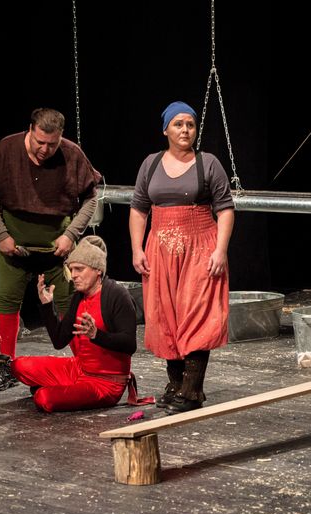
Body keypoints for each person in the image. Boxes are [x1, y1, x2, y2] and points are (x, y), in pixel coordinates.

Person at [0, 108, 102, 392]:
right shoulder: (7, 149)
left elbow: (90, 199)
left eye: (52, 144)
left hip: (57, 250)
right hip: (14, 248)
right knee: (7, 300)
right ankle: (7, 366)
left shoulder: (72, 154)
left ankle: (86, 366)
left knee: (69, 304)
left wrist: (71, 235)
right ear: (30, 130)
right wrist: (0, 235)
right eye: (40, 142)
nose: (45, 149)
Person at [129, 101, 235, 414]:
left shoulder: (208, 163)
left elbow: (225, 209)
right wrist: (137, 248)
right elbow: (138, 209)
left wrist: (221, 250)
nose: (185, 130)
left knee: (197, 314)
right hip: (160, 247)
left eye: (190, 124)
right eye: (178, 124)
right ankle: (175, 385)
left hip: (200, 245)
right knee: (165, 316)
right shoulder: (151, 164)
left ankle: (191, 390)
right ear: (166, 130)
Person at [9, 236, 144, 412]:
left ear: (97, 270)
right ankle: (66, 389)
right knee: (18, 365)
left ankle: (60, 390)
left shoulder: (117, 295)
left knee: (44, 398)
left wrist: (96, 335)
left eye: (79, 269)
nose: (73, 275)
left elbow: (130, 345)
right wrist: (47, 305)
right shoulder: (79, 296)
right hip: (79, 369)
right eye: (71, 269)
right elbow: (59, 341)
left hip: (106, 382)